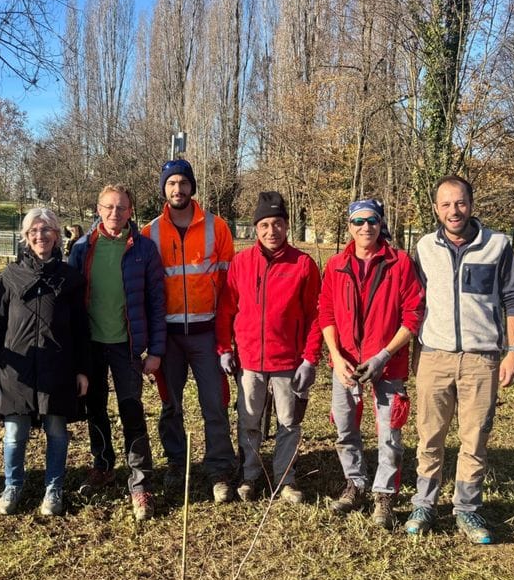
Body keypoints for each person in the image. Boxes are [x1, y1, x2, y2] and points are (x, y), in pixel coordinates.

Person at [406, 175, 514, 545]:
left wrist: (513, 351)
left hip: (481, 359)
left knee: (475, 439)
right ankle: (424, 503)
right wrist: (415, 355)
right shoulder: (424, 247)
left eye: (459, 203)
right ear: (436, 208)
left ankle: (467, 509)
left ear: (471, 205)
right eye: (445, 204)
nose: (453, 211)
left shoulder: (498, 245)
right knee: (430, 435)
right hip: (434, 356)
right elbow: (415, 304)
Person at [318, 199, 424, 528]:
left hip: (387, 364)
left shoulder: (400, 263)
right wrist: (336, 357)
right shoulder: (336, 264)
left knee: (389, 433)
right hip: (346, 364)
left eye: (372, 220)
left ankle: (384, 495)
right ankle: (356, 484)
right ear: (349, 226)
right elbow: (326, 313)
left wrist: (384, 355)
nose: (366, 227)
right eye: (358, 221)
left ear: (381, 225)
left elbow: (414, 314)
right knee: (345, 430)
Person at [0, 207, 90, 516]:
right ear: (26, 238)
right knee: (15, 434)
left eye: (46, 230)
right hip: (16, 370)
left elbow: (81, 328)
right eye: (34, 232)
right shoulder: (10, 277)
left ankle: (53, 489)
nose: (40, 236)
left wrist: (83, 369)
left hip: (58, 368)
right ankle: (12, 486)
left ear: (57, 236)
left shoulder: (70, 278)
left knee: (57, 431)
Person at [142, 159, 239, 502]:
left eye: (183, 183)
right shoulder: (150, 232)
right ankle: (176, 462)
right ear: (164, 189)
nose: (177, 189)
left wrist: (228, 336)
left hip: (206, 333)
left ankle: (219, 468)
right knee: (171, 405)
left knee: (214, 403)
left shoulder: (218, 227)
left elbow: (230, 287)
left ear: (192, 186)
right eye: (171, 184)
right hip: (167, 337)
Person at [216, 191, 322, 503]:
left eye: (277, 224)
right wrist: (224, 348)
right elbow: (226, 310)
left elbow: (316, 316)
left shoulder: (303, 265)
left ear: (287, 226)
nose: (270, 231)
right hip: (249, 359)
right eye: (264, 225)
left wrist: (310, 359)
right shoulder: (241, 263)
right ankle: (250, 475)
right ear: (256, 229)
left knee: (289, 422)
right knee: (249, 419)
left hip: (288, 360)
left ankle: (285, 479)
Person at [69, 184, 166, 522]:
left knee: (132, 411)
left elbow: (157, 302)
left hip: (127, 346)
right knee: (95, 409)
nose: (115, 214)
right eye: (109, 207)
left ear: (130, 211)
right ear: (98, 209)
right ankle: (103, 465)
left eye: (121, 208)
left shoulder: (144, 250)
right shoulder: (81, 249)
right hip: (91, 345)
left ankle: (140, 482)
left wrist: (155, 350)